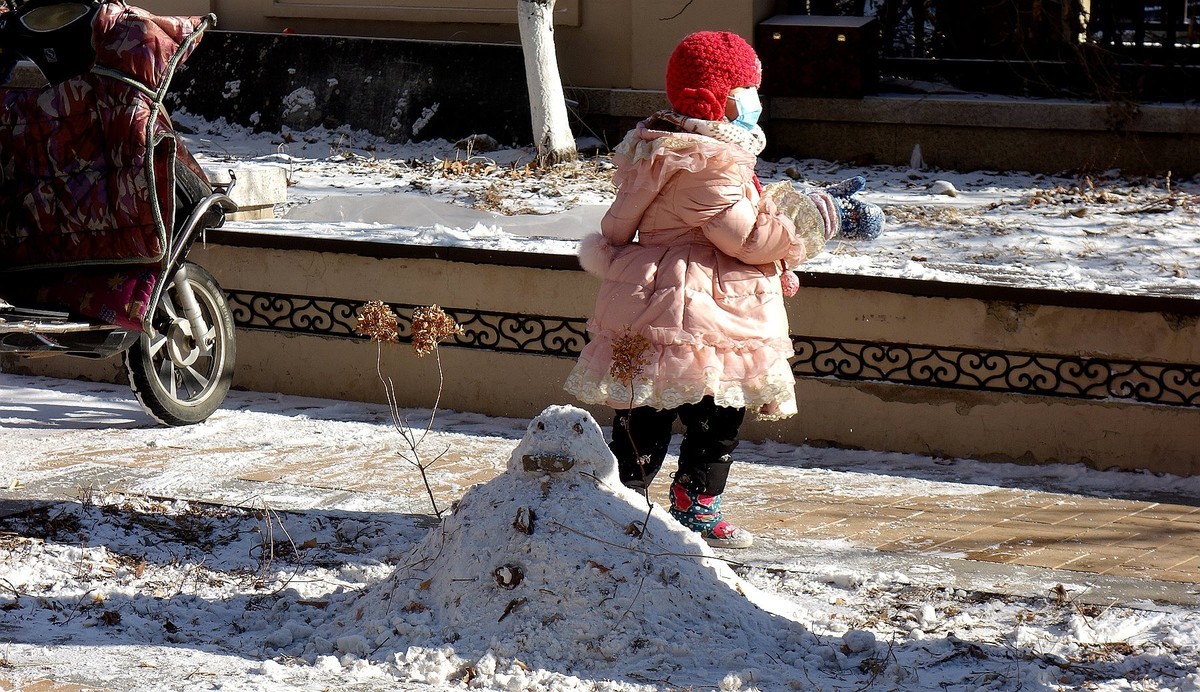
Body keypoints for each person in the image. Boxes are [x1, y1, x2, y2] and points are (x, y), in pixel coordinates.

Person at [564, 30, 880, 549]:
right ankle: (690, 501)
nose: (755, 103)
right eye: (748, 92)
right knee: (717, 412)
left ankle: (622, 500)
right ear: (721, 98)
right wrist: (824, 217)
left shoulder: (657, 150)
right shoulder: (709, 163)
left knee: (644, 406)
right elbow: (751, 237)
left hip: (648, 298)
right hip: (699, 306)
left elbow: (618, 228)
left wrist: (788, 202)